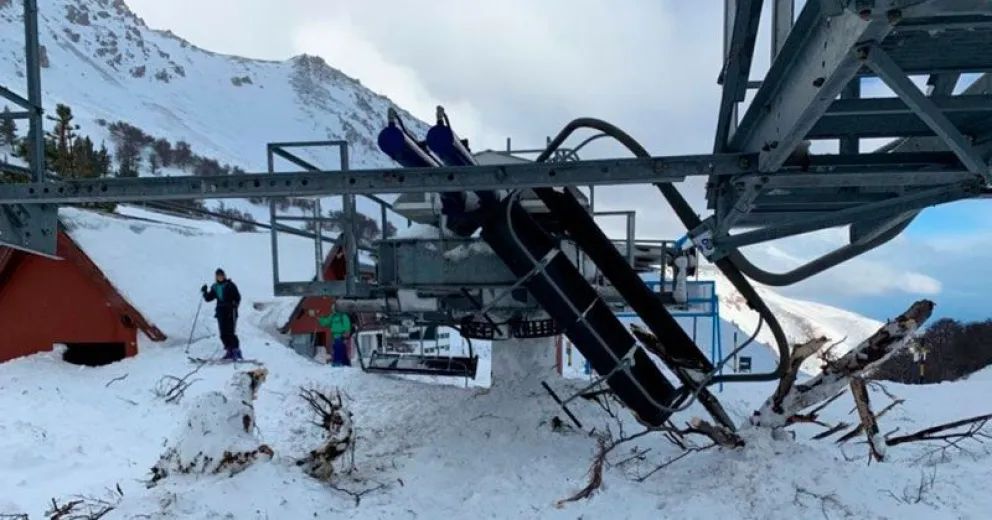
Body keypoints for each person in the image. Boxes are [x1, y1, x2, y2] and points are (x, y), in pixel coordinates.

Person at [201, 268, 242, 360]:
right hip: (220, 311)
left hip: (231, 310)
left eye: (221, 275)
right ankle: (229, 350)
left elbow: (237, 297)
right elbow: (209, 298)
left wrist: (235, 303)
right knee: (223, 332)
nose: (220, 277)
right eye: (218, 276)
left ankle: (236, 350)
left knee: (230, 331)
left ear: (224, 276)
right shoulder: (215, 287)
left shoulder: (230, 285)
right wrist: (204, 292)